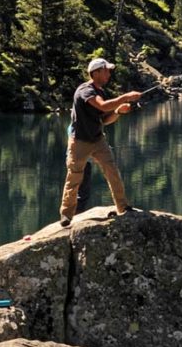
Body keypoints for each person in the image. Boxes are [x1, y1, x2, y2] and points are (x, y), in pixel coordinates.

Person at [58, 57, 143, 228]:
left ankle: (122, 207)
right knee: (74, 176)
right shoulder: (85, 91)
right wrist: (125, 96)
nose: (109, 74)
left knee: (112, 171)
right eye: (106, 70)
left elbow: (104, 119)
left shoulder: (100, 92)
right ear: (95, 73)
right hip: (79, 141)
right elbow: (103, 106)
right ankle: (66, 214)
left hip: (98, 140)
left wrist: (119, 111)